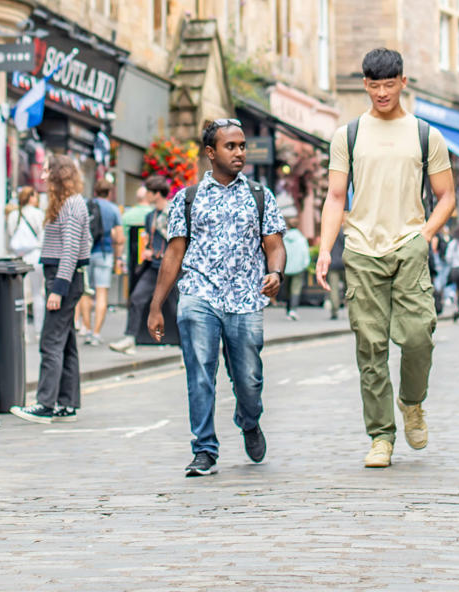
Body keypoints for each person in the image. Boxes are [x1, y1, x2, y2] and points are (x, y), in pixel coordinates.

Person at [313, 48, 457, 469]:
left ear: (403, 82)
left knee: (418, 337)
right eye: (374, 85)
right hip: (361, 250)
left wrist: (425, 235)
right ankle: (380, 436)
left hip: (408, 247)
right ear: (365, 85)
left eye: (388, 85)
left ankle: (411, 402)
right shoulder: (349, 135)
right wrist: (325, 248)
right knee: (370, 347)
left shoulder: (426, 134)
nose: (381, 93)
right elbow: (336, 196)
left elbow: (447, 195)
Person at [148, 120, 287, 476]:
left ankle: (248, 419)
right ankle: (204, 449)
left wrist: (276, 273)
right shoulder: (187, 199)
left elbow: (275, 245)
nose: (240, 152)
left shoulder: (260, 195)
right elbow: (174, 255)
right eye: (231, 146)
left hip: (245, 300)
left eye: (242, 145)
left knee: (249, 380)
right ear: (211, 153)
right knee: (200, 374)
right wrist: (156, 306)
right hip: (199, 295)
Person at [11, 155, 91, 423]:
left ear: (60, 175)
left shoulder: (70, 205)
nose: (42, 177)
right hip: (63, 278)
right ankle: (66, 404)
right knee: (65, 343)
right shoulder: (68, 203)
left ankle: (45, 403)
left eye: (47, 172)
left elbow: (70, 250)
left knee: (50, 342)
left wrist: (58, 290)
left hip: (63, 279)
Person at [111, 176, 176, 353]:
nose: (145, 194)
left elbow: (177, 242)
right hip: (154, 267)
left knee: (178, 308)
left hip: (172, 269)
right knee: (136, 298)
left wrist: (160, 253)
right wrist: (149, 250)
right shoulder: (150, 216)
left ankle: (188, 347)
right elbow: (150, 239)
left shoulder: (173, 213)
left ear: (157, 193)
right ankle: (130, 339)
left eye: (148, 191)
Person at [78, 179, 124, 346]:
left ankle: (88, 330)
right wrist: (118, 258)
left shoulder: (85, 204)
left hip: (85, 254)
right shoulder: (113, 210)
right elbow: (119, 238)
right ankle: (97, 333)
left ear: (95, 191)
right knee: (101, 293)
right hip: (105, 254)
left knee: (85, 292)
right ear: (110, 193)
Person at [11, 185, 46, 329]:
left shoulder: (14, 215)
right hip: (36, 256)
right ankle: (39, 329)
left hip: (20, 257)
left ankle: (22, 329)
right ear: (31, 198)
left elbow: (10, 233)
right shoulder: (39, 214)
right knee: (38, 293)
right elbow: (43, 236)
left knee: (21, 295)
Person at [280, 220, 310, 321]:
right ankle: (293, 310)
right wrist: (305, 265)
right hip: (298, 268)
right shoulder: (301, 239)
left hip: (286, 268)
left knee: (287, 289)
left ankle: (288, 310)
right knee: (295, 289)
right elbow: (305, 254)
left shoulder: (284, 239)